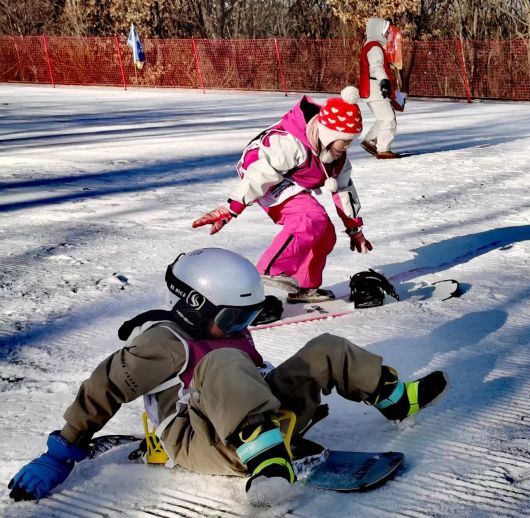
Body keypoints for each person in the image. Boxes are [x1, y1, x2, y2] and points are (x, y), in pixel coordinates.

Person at [5, 248, 448, 507]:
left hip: (246, 420)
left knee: (326, 347)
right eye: (235, 317)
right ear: (197, 305)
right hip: (199, 440)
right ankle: (268, 465)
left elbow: (250, 374)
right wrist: (60, 453)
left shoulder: (227, 331)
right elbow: (103, 388)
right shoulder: (164, 344)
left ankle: (395, 399)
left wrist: (281, 392)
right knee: (222, 363)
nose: (243, 325)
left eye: (249, 316)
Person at [192, 87, 373, 304]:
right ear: (329, 135)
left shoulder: (338, 159)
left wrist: (355, 230)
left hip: (290, 176)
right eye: (344, 140)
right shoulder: (290, 144)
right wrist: (231, 208)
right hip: (261, 171)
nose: (347, 146)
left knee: (325, 232)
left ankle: (305, 286)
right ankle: (270, 270)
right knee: (309, 217)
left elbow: (344, 192)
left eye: (351, 140)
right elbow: (260, 174)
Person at [359, 17, 402, 159]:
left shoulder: (370, 45)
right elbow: (376, 67)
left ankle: (371, 140)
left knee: (384, 117)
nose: (388, 34)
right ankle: (383, 149)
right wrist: (384, 82)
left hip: (372, 87)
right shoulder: (374, 47)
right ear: (378, 30)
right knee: (388, 118)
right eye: (386, 31)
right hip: (375, 87)